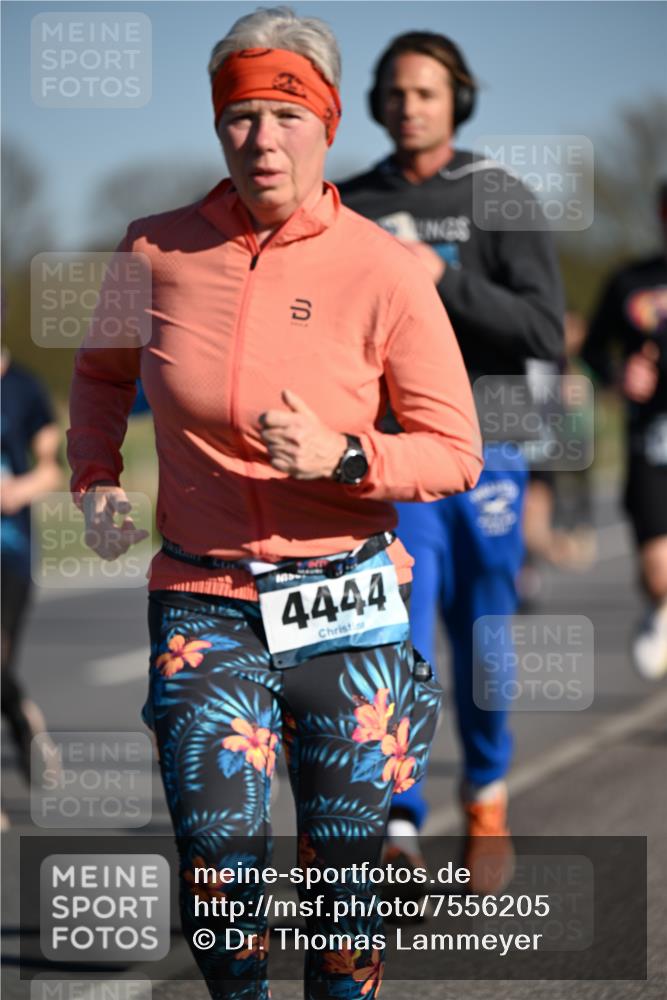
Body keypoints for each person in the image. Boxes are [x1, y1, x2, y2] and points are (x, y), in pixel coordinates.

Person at [67, 8, 483, 999]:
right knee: (219, 872)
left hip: (347, 603)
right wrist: (96, 478)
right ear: (218, 126)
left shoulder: (385, 269)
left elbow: (455, 450)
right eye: (239, 116)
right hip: (203, 600)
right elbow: (99, 375)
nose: (261, 139)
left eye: (286, 116)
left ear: (327, 123)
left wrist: (346, 456)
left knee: (343, 898)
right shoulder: (151, 250)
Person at [339, 31, 564, 892]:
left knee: (481, 639)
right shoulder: (352, 201)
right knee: (394, 633)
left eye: (426, 92)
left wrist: (438, 274)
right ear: (376, 102)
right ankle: (398, 820)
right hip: (394, 450)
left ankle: (485, 800)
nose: (409, 107)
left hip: (489, 448)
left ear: (457, 101)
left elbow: (543, 331)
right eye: (395, 93)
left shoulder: (498, 196)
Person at [583, 181, 667, 680]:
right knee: (658, 572)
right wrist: (620, 376)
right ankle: (661, 606)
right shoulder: (630, 282)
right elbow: (592, 351)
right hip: (651, 439)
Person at [1, 348, 61, 790]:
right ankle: (22, 718)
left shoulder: (24, 388)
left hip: (9, 551)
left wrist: (17, 491)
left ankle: (22, 725)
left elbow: (50, 470)